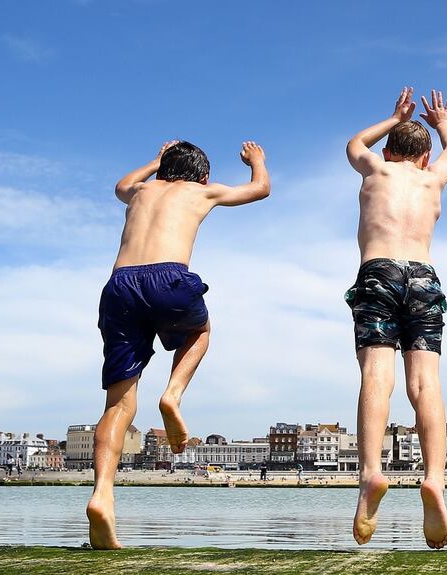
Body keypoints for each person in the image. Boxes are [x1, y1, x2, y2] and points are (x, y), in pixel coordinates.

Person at [87, 140, 270, 549]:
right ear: (202, 177)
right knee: (201, 330)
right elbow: (259, 189)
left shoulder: (140, 191)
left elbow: (121, 184)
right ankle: (173, 395)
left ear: (162, 171)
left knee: (117, 404)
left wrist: (153, 161)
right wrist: (257, 162)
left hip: (120, 285)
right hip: (168, 277)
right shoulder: (202, 191)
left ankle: (102, 494)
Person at [345, 87, 447, 549]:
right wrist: (442, 122)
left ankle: (372, 474)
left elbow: (355, 144)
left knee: (377, 375)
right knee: (425, 383)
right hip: (424, 277)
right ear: (425, 156)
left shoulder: (375, 166)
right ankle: (435, 478)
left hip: (378, 272)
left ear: (389, 150)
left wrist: (393, 117)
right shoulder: (433, 179)